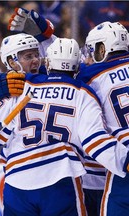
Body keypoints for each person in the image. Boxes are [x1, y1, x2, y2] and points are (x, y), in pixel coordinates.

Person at [0, 36, 129, 215]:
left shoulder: (17, 89)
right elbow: (93, 140)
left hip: (18, 181)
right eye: (28, 56)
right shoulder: (82, 92)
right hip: (61, 177)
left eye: (37, 55)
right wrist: (123, 160)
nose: (35, 60)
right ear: (11, 62)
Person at [78, 21, 129, 216]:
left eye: (93, 49)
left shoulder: (90, 77)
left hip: (124, 162)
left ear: (103, 48)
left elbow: (59, 70)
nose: (90, 56)